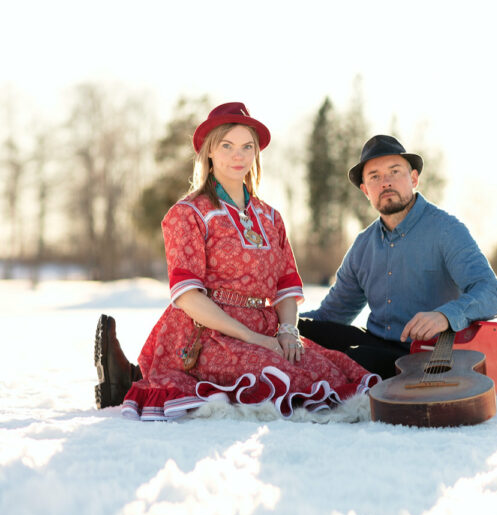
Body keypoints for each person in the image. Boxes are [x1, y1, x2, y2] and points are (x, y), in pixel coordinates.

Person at [94, 102, 378, 419]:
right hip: (207, 332)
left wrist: (286, 331)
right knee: (274, 372)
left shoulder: (271, 217)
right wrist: (254, 340)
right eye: (227, 146)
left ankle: (128, 378)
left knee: (328, 370)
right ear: (209, 151)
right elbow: (188, 297)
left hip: (268, 327)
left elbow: (285, 288)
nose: (238, 155)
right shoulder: (188, 214)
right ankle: (129, 381)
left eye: (247, 147)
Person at [297, 134, 497, 378]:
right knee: (297, 331)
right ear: (366, 190)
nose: (385, 182)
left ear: (414, 178)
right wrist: (277, 321)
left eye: (395, 171)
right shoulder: (363, 245)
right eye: (375, 176)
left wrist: (445, 316)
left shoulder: (446, 230)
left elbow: (492, 294)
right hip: (376, 343)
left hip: (429, 356)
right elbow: (331, 315)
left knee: (353, 359)